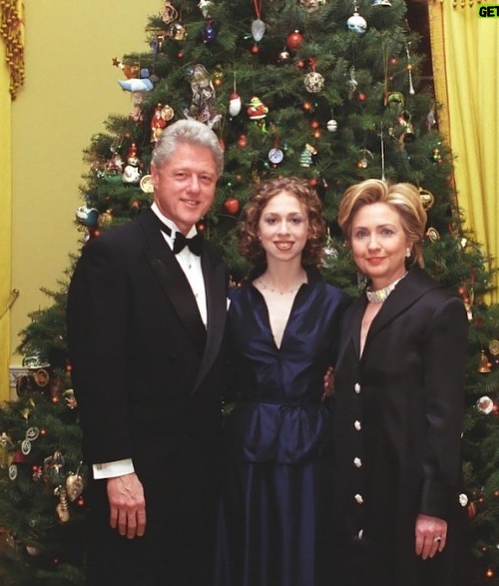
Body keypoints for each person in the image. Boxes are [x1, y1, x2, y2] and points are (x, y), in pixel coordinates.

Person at [67, 119, 228, 586]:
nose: (194, 188)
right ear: (155, 176)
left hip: (198, 477)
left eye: (206, 178)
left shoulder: (214, 262)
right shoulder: (112, 254)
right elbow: (97, 374)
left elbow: (212, 361)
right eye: (182, 175)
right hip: (136, 480)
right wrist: (117, 472)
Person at [332, 179, 469, 586]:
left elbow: (444, 420)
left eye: (385, 232)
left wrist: (433, 507)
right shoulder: (351, 313)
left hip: (410, 499)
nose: (373, 244)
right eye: (361, 234)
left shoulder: (438, 308)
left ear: (410, 241)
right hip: (361, 500)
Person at [215, 176, 350, 586]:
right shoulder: (232, 304)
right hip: (247, 455)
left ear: (311, 228)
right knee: (248, 558)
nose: (284, 231)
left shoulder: (336, 303)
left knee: (310, 556)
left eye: (295, 219)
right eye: (272, 220)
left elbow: (356, 371)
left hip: (313, 453)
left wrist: (337, 381)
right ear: (256, 228)